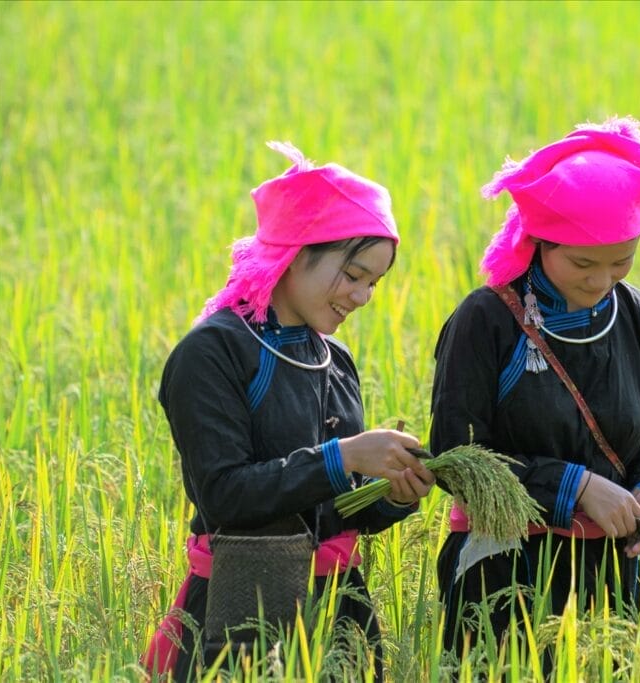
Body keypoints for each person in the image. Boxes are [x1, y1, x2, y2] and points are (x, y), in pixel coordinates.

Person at [143, 141, 434, 681]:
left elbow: (337, 509)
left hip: (341, 617)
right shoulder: (213, 353)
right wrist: (344, 456)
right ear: (297, 253)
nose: (363, 296)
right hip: (241, 612)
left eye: (374, 282)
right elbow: (225, 494)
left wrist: (394, 494)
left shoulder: (333, 357)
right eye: (353, 275)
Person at [430, 117, 640, 660]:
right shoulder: (487, 320)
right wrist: (576, 486)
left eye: (622, 260)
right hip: (502, 573)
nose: (601, 280)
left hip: (609, 574)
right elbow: (455, 458)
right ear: (539, 242)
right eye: (582, 262)